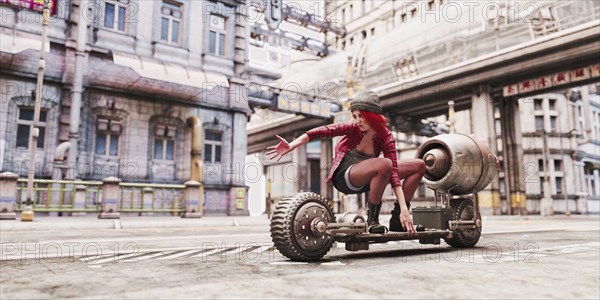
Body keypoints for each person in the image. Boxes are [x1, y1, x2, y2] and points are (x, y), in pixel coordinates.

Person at [266, 91, 426, 235]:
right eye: (355, 116)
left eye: (361, 116)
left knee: (418, 165)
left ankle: (398, 221)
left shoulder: (386, 137)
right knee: (384, 164)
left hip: (370, 177)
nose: (357, 121)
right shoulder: (353, 128)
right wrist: (291, 146)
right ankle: (373, 221)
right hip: (346, 176)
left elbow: (395, 173)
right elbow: (320, 131)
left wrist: (404, 209)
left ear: (373, 116)